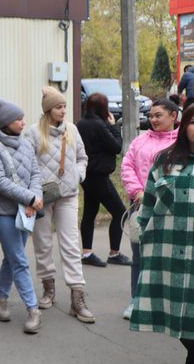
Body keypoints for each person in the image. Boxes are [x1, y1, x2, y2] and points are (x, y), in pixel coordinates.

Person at [129, 104, 194, 364]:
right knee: (178, 318)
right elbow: (149, 204)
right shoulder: (166, 161)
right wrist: (142, 235)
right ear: (185, 125)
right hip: (169, 254)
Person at [27, 86, 93, 323]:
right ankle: (48, 288)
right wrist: (32, 194)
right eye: (58, 107)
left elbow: (83, 157)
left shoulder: (72, 129)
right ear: (48, 110)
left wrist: (79, 174)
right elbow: (28, 165)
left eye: (64, 106)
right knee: (42, 243)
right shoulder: (34, 133)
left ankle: (77, 297)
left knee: (71, 244)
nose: (63, 110)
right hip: (42, 197)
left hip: (68, 195)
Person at [0, 99, 43, 334]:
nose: (24, 122)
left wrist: (34, 201)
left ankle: (1, 301)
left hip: (26, 211)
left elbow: (35, 174)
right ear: (7, 122)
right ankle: (33, 310)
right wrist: (29, 198)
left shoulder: (27, 144)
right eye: (19, 119)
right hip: (2, 213)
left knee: (10, 258)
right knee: (19, 259)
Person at [120, 98, 179, 320]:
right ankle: (136, 300)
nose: (153, 119)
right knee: (139, 254)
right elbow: (127, 166)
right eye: (151, 116)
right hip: (141, 205)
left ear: (173, 116)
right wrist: (137, 192)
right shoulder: (140, 141)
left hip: (172, 208)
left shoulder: (183, 142)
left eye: (158, 115)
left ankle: (168, 302)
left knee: (170, 257)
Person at [76, 93, 129, 267]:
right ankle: (114, 253)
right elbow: (115, 147)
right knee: (120, 211)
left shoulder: (81, 123)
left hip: (87, 174)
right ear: (103, 108)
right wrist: (114, 126)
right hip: (99, 175)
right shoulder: (99, 125)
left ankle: (87, 253)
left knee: (90, 213)